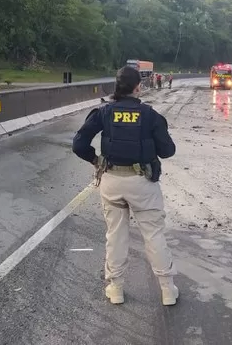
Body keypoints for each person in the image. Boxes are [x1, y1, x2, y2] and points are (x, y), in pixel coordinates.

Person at [72, 65, 179, 305]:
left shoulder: (103, 112)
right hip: (143, 184)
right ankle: (167, 290)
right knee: (153, 235)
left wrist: (95, 159)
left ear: (116, 87)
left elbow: (79, 144)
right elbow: (168, 151)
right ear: (138, 87)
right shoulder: (150, 115)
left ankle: (116, 288)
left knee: (116, 236)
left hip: (111, 181)